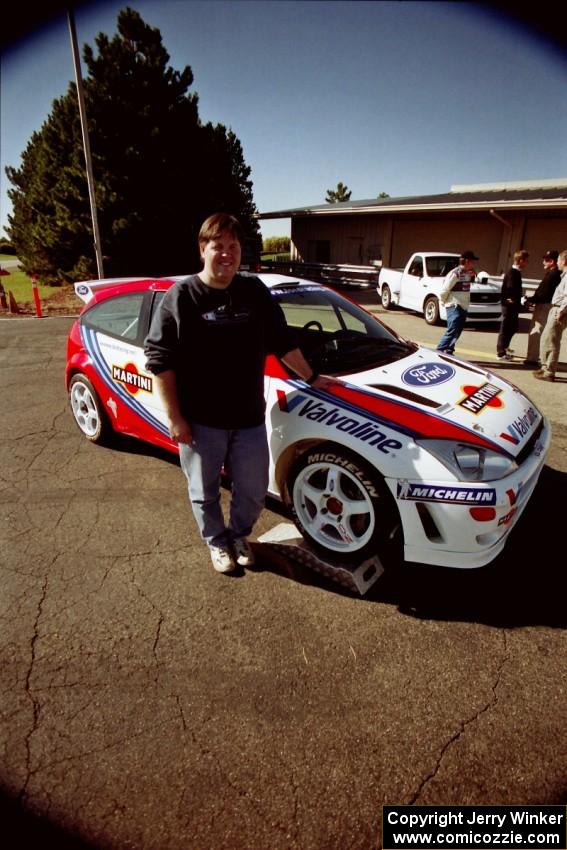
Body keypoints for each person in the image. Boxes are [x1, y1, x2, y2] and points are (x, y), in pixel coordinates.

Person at [144, 213, 329, 574]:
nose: (227, 254)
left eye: (234, 246)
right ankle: (216, 541)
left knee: (253, 488)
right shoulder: (181, 297)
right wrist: (175, 417)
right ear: (202, 250)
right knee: (204, 490)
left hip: (247, 418)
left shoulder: (253, 292)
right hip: (200, 421)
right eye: (218, 247)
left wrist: (312, 377)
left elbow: (283, 342)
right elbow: (160, 361)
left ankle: (239, 534)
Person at [533, 249, 567, 382]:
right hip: (556, 309)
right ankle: (545, 366)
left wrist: (561, 312)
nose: (557, 263)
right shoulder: (564, 275)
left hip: (560, 310)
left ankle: (549, 371)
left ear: (564, 261)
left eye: (558, 260)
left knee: (552, 341)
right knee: (546, 339)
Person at [435, 250, 478, 355]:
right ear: (467, 261)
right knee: (453, 329)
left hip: (463, 306)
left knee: (458, 330)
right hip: (454, 305)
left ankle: (449, 350)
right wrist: (443, 302)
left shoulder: (468, 272)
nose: (474, 263)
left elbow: (468, 285)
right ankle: (439, 351)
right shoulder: (456, 273)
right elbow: (445, 289)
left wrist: (473, 275)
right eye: (473, 261)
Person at [523, 250, 561, 366]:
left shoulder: (553, 274)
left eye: (546, 260)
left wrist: (530, 299)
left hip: (544, 305)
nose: (543, 262)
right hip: (546, 304)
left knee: (536, 330)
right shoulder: (555, 273)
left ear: (553, 262)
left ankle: (532, 358)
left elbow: (543, 293)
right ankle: (536, 357)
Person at [496, 249, 529, 361]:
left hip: (513, 305)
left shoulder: (516, 272)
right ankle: (501, 352)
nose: (527, 264)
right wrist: (512, 300)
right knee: (506, 328)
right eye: (526, 261)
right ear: (520, 261)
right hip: (509, 306)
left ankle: (505, 346)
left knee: (513, 327)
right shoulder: (512, 273)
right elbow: (510, 290)